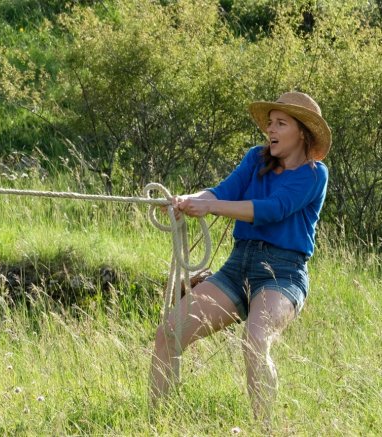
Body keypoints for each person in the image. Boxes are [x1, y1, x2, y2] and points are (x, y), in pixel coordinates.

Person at [149, 91, 331, 427]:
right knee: (169, 332)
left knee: (255, 339)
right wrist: (191, 200)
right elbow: (222, 191)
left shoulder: (314, 174)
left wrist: (210, 206)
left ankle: (265, 430)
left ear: (302, 132)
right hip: (238, 267)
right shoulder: (254, 159)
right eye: (270, 123)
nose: (270, 130)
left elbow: (273, 210)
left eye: (280, 124)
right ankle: (157, 425)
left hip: (283, 274)